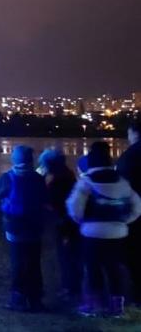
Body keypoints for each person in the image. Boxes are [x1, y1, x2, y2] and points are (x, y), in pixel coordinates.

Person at [67, 141, 141, 317]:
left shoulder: (86, 182)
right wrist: (124, 221)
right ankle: (117, 307)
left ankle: (94, 305)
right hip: (117, 234)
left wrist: (83, 222)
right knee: (114, 269)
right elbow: (137, 207)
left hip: (92, 234)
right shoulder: (123, 182)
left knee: (93, 269)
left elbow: (74, 208)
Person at [0, 145, 47, 311]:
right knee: (34, 263)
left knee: (18, 262)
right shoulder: (38, 178)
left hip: (14, 226)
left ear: (14, 159)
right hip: (35, 228)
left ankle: (18, 298)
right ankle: (35, 299)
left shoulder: (7, 177)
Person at [39, 148, 80, 300]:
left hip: (65, 222)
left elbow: (52, 201)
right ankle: (71, 286)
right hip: (69, 221)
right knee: (69, 254)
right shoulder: (68, 175)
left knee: (67, 255)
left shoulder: (59, 180)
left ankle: (70, 288)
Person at [115, 119, 141, 303]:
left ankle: (137, 295)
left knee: (134, 255)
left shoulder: (129, 157)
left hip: (135, 216)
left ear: (133, 133)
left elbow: (121, 187)